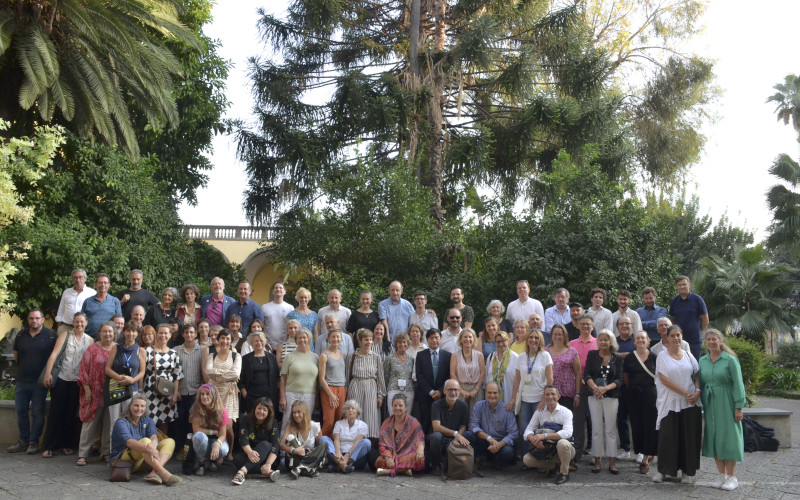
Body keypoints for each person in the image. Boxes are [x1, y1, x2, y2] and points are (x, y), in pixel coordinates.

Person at [653, 325, 702, 484]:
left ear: (682, 337)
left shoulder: (688, 355)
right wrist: (685, 393)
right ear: (667, 337)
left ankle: (687, 472)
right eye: (672, 335)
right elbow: (664, 378)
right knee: (668, 438)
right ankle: (663, 471)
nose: (676, 338)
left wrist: (697, 392)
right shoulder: (662, 356)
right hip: (670, 402)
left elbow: (697, 375)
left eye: (678, 335)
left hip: (689, 403)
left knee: (687, 438)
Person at [41, 312, 94, 458]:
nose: (79, 324)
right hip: (62, 378)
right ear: (73, 322)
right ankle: (49, 446)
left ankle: (66, 445)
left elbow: (89, 363)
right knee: (56, 412)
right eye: (76, 321)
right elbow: (54, 354)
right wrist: (48, 373)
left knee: (70, 414)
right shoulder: (65, 335)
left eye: (82, 322)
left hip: (77, 381)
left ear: (86, 323)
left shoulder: (90, 340)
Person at [699, 329, 745, 491]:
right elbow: (700, 383)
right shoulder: (703, 360)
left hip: (727, 402)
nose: (711, 342)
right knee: (714, 438)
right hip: (711, 402)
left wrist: (739, 407)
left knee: (728, 438)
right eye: (708, 339)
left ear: (720, 340)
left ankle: (732, 476)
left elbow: (738, 384)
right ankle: (721, 475)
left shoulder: (730, 360)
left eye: (714, 339)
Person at [8, 309, 56, 455]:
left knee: (37, 413)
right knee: (21, 411)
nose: (34, 321)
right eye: (31, 318)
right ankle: (23, 440)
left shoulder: (50, 335)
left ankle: (34, 442)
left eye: (37, 318)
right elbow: (16, 355)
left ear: (42, 320)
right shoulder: (21, 335)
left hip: (39, 382)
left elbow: (55, 357)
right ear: (28, 320)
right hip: (22, 381)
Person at [109, 393, 181, 486]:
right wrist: (149, 447)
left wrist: (154, 444)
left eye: (142, 406)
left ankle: (154, 473)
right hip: (124, 462)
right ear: (130, 406)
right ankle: (164, 474)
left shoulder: (147, 419)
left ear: (145, 408)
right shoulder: (121, 422)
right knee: (146, 441)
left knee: (170, 441)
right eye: (136, 405)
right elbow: (129, 443)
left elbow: (153, 435)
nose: (139, 409)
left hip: (144, 460)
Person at [76, 322, 116, 465]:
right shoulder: (92, 349)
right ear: (99, 333)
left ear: (114, 333)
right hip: (94, 392)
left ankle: (105, 452)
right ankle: (82, 454)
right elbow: (83, 370)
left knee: (108, 423)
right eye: (104, 331)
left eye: (110, 332)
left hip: (111, 392)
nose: (107, 334)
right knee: (90, 423)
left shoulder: (117, 348)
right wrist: (87, 390)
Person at [584, 330, 624, 474]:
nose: (602, 342)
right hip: (594, 395)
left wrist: (605, 389)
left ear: (611, 341)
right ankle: (597, 461)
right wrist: (595, 388)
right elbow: (587, 374)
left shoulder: (617, 359)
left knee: (611, 429)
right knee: (596, 429)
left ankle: (612, 463)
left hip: (611, 396)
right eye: (600, 339)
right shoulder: (592, 355)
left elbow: (619, 380)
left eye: (606, 340)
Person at [522, 385, 575, 485]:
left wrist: (544, 436)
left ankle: (564, 473)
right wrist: (533, 439)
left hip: (566, 450)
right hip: (547, 450)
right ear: (544, 397)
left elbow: (567, 433)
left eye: (553, 394)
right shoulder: (539, 412)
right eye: (547, 394)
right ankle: (554, 466)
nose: (550, 397)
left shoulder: (566, 412)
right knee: (527, 459)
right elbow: (528, 430)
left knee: (563, 443)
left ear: (558, 396)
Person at [623, 330, 658, 473]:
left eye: (643, 338)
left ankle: (646, 459)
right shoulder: (630, 357)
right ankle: (643, 452)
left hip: (651, 395)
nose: (641, 341)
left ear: (648, 341)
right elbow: (626, 377)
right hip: (635, 396)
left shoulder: (655, 357)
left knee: (650, 425)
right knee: (637, 425)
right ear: (634, 342)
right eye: (638, 338)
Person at [105, 320, 147, 435]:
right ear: (124, 332)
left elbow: (142, 372)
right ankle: (113, 451)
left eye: (133, 331)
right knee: (114, 421)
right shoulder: (116, 348)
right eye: (128, 330)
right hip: (116, 388)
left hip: (131, 389)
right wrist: (120, 378)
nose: (130, 334)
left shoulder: (141, 350)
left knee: (129, 421)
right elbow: (107, 369)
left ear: (137, 334)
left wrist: (131, 380)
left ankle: (127, 451)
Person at [508, 329, 553, 434]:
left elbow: (550, 379)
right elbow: (517, 379)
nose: (533, 340)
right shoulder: (521, 357)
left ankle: (537, 451)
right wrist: (513, 398)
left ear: (540, 340)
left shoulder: (545, 356)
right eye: (531, 337)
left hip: (539, 399)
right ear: (527, 340)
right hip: (524, 400)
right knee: (525, 429)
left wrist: (544, 399)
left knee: (539, 429)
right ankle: (525, 451)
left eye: (536, 338)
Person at [205, 328, 241, 460]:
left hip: (229, 393)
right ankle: (217, 452)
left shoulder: (236, 356)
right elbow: (209, 371)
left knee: (228, 425)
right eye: (222, 338)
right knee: (214, 423)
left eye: (228, 339)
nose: (225, 341)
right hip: (212, 394)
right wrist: (226, 376)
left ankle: (230, 451)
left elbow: (236, 373)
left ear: (231, 341)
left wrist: (217, 375)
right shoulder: (212, 356)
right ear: (218, 340)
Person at [464, 382, 518, 469]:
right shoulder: (479, 406)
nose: (492, 395)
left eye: (495, 393)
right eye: (489, 392)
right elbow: (473, 426)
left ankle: (494, 461)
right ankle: (478, 459)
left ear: (499, 394)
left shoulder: (507, 409)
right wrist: (489, 438)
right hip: (485, 442)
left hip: (500, 443)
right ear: (485, 393)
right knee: (468, 435)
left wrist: (499, 445)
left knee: (508, 452)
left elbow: (513, 433)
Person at [142, 323, 183, 433]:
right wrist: (140, 391)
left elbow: (176, 375)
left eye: (166, 333)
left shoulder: (173, 353)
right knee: (149, 418)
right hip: (149, 389)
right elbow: (141, 373)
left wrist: (175, 394)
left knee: (164, 420)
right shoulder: (148, 351)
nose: (163, 335)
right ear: (156, 334)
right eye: (160, 333)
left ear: (170, 335)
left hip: (166, 390)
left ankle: (163, 445)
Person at [346, 328, 386, 437]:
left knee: (370, 415)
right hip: (355, 387)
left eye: (370, 339)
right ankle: (353, 438)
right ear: (360, 340)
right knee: (355, 413)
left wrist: (380, 395)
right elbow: (347, 376)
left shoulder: (376, 357)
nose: (369, 342)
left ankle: (371, 441)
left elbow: (380, 377)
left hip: (371, 388)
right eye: (366, 340)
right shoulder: (352, 357)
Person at [232, 398, 281, 485]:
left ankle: (243, 471)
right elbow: (243, 439)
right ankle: (268, 472)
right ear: (255, 408)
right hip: (249, 454)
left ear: (269, 412)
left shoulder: (273, 423)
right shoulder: (245, 419)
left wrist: (268, 463)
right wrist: (250, 452)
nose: (261, 412)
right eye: (259, 408)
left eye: (264, 410)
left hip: (266, 457)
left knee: (265, 445)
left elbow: (275, 445)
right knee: (236, 459)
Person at [569, 314, 598, 459]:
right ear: (578, 326)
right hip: (578, 386)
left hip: (595, 387)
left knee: (595, 419)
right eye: (583, 324)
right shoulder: (572, 344)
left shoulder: (598, 342)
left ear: (592, 327)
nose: (586, 326)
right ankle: (577, 452)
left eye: (588, 324)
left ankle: (595, 452)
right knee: (578, 420)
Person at [427, 379, 470, 476]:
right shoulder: (436, 405)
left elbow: (463, 426)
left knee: (468, 435)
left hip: (453, 440)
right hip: (438, 438)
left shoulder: (463, 406)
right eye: (450, 390)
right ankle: (435, 466)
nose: (453, 392)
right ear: (444, 391)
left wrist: (457, 437)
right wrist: (455, 434)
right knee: (436, 436)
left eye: (456, 390)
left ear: (459, 391)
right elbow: (436, 427)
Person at [173, 323, 203, 459]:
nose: (189, 335)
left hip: (196, 393)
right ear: (183, 334)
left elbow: (204, 372)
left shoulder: (202, 350)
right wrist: (175, 390)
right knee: (180, 422)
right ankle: (180, 449)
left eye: (192, 332)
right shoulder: (176, 350)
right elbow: (173, 373)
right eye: (186, 332)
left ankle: (193, 451)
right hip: (180, 392)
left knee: (194, 423)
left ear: (196, 334)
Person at [376, 393, 426, 476]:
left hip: (407, 454)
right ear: (392, 407)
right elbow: (382, 444)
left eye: (400, 405)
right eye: (395, 405)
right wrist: (388, 457)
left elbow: (420, 438)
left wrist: (420, 449)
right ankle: (404, 470)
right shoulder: (387, 423)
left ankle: (388, 471)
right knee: (376, 458)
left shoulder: (413, 422)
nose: (397, 408)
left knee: (419, 458)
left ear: (406, 407)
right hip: (391, 454)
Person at [279, 328, 319, 430]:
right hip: (291, 393)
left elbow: (317, 380)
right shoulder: (289, 357)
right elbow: (283, 378)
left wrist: (317, 399)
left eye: (304, 338)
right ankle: (283, 444)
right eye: (299, 338)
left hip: (309, 394)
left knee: (306, 420)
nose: (302, 340)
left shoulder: (315, 357)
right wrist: (283, 397)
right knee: (288, 420)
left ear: (309, 339)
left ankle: (304, 444)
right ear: (296, 340)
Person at [414, 329, 452, 434]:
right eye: (431, 338)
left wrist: (440, 391)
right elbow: (419, 376)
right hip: (425, 395)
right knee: (425, 422)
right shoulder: (420, 355)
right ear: (427, 340)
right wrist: (431, 391)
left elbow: (449, 375)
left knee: (442, 422)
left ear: (440, 339)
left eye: (436, 337)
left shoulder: (448, 355)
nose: (434, 340)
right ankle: (425, 445)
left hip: (442, 395)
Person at [189, 384, 231, 476]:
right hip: (202, 442)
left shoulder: (221, 411)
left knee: (223, 449)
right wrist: (214, 432)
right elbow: (196, 429)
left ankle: (213, 461)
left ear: (214, 396)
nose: (204, 397)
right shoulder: (196, 409)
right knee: (198, 436)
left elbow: (223, 435)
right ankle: (201, 463)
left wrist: (216, 445)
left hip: (215, 440)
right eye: (202, 394)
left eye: (207, 394)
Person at [320, 400, 371, 473]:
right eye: (348, 408)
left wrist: (347, 456)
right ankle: (343, 466)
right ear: (344, 412)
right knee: (323, 439)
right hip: (338, 456)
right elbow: (336, 439)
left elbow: (358, 442)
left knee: (367, 442)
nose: (350, 410)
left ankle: (339, 467)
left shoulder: (363, 425)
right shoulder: (339, 423)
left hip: (355, 458)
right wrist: (338, 452)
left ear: (357, 412)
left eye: (353, 408)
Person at [280, 400, 327, 477]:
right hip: (294, 458)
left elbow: (319, 446)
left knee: (324, 444)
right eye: (294, 412)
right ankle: (308, 469)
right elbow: (281, 445)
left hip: (309, 456)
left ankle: (300, 469)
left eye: (299, 412)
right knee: (290, 437)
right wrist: (294, 450)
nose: (296, 415)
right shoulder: (290, 426)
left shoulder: (314, 426)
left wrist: (312, 450)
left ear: (304, 413)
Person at [239, 331, 280, 414]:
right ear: (251, 343)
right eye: (256, 341)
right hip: (251, 395)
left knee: (269, 418)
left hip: (269, 395)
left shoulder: (272, 358)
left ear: (264, 342)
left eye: (261, 340)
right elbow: (241, 377)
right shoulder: (245, 359)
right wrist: (244, 391)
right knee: (252, 418)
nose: (259, 343)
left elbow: (277, 376)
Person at [669, 276, 709, 360]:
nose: (682, 287)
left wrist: (701, 334)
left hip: (694, 341)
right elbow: (672, 320)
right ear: (677, 287)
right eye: (679, 285)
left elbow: (705, 320)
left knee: (695, 366)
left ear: (689, 285)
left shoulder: (698, 300)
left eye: (684, 284)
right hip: (679, 340)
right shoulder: (674, 301)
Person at [450, 328, 485, 415]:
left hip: (476, 388)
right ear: (461, 339)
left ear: (474, 339)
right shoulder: (455, 355)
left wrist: (476, 389)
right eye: (465, 337)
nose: (467, 339)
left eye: (470, 337)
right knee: (460, 414)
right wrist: (461, 390)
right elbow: (452, 374)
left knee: (475, 415)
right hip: (460, 388)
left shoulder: (479, 355)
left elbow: (482, 373)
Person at [546, 324, 581, 412]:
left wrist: (578, 394)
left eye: (560, 334)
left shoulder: (572, 352)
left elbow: (578, 374)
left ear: (564, 336)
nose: (557, 337)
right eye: (555, 334)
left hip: (567, 394)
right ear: (551, 335)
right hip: (549, 393)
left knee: (565, 422)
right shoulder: (545, 351)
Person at [318, 329, 346, 437]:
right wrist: (330, 394)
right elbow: (321, 378)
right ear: (328, 339)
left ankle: (334, 446)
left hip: (342, 389)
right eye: (333, 337)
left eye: (338, 337)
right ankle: (319, 444)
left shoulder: (342, 354)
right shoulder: (324, 355)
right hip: (329, 389)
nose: (335, 339)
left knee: (339, 420)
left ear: (341, 339)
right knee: (329, 422)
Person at [614, 315, 635, 460]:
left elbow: (639, 355)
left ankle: (639, 451)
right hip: (619, 385)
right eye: (622, 324)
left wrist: (620, 355)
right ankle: (625, 448)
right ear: (618, 327)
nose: (625, 326)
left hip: (636, 384)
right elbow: (610, 357)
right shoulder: (614, 341)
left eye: (627, 324)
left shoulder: (637, 340)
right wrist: (627, 355)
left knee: (637, 419)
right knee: (621, 418)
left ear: (632, 326)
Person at [55, 268, 96, 334]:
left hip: (84, 329)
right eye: (75, 277)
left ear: (85, 278)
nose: (78, 280)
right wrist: (59, 327)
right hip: (66, 328)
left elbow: (94, 313)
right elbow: (61, 311)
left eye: (80, 277)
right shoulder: (66, 292)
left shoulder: (92, 293)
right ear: (72, 279)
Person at [82, 273, 122, 339]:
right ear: (95, 284)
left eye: (105, 283)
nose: (103, 285)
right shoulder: (87, 301)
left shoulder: (115, 301)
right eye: (100, 282)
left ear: (109, 285)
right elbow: (82, 320)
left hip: (108, 338)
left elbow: (119, 322)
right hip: (89, 338)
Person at [384, 332, 416, 413]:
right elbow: (385, 375)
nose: (402, 344)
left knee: (407, 416)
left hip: (408, 390)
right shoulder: (389, 358)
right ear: (396, 344)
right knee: (393, 415)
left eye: (404, 342)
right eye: (399, 342)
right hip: (393, 390)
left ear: (408, 343)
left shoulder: (412, 359)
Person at [484, 331, 518, 403]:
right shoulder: (491, 357)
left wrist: (514, 399)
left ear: (508, 341)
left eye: (503, 341)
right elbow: (486, 375)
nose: (501, 344)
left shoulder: (515, 357)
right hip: (491, 398)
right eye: (498, 342)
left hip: (508, 398)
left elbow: (518, 380)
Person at [261, 281, 294, 351]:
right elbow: (262, 325)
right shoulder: (265, 307)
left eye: (280, 288)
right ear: (273, 291)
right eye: (276, 288)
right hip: (268, 345)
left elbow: (292, 326)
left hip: (285, 345)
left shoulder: (290, 308)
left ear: (284, 292)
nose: (278, 289)